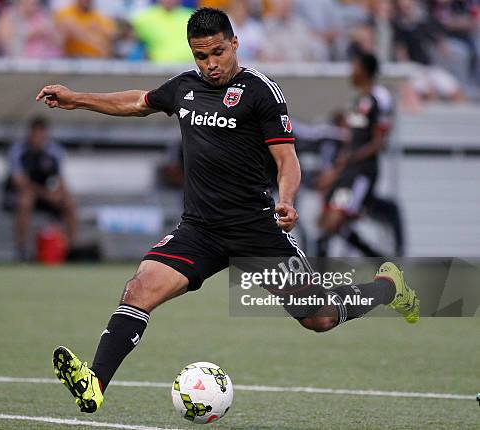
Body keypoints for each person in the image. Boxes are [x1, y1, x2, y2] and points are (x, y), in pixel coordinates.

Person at [36, 8, 419, 414]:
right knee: (138, 289)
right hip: (199, 230)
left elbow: (287, 160)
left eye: (218, 52)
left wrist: (286, 200)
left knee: (319, 317)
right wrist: (76, 99)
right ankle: (95, 383)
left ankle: (388, 287)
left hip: (256, 230)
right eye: (201, 56)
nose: (211, 64)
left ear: (234, 43)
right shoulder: (184, 88)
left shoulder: (260, 92)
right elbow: (137, 102)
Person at [316, 53, 396, 257]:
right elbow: (350, 140)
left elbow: (379, 140)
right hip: (347, 172)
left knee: (334, 222)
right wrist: (336, 169)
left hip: (361, 173)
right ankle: (376, 258)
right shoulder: (357, 101)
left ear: (366, 71)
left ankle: (317, 278)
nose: (351, 72)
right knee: (325, 223)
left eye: (355, 67)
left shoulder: (380, 97)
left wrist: (352, 158)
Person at [4, 117, 77, 261]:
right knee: (25, 200)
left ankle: (69, 248)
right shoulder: (18, 151)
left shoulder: (54, 151)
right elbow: (20, 182)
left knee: (69, 203)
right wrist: (46, 194)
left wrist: (59, 194)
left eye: (41, 133)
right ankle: (22, 248)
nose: (38, 137)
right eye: (35, 133)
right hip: (22, 194)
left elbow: (60, 180)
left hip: (45, 196)